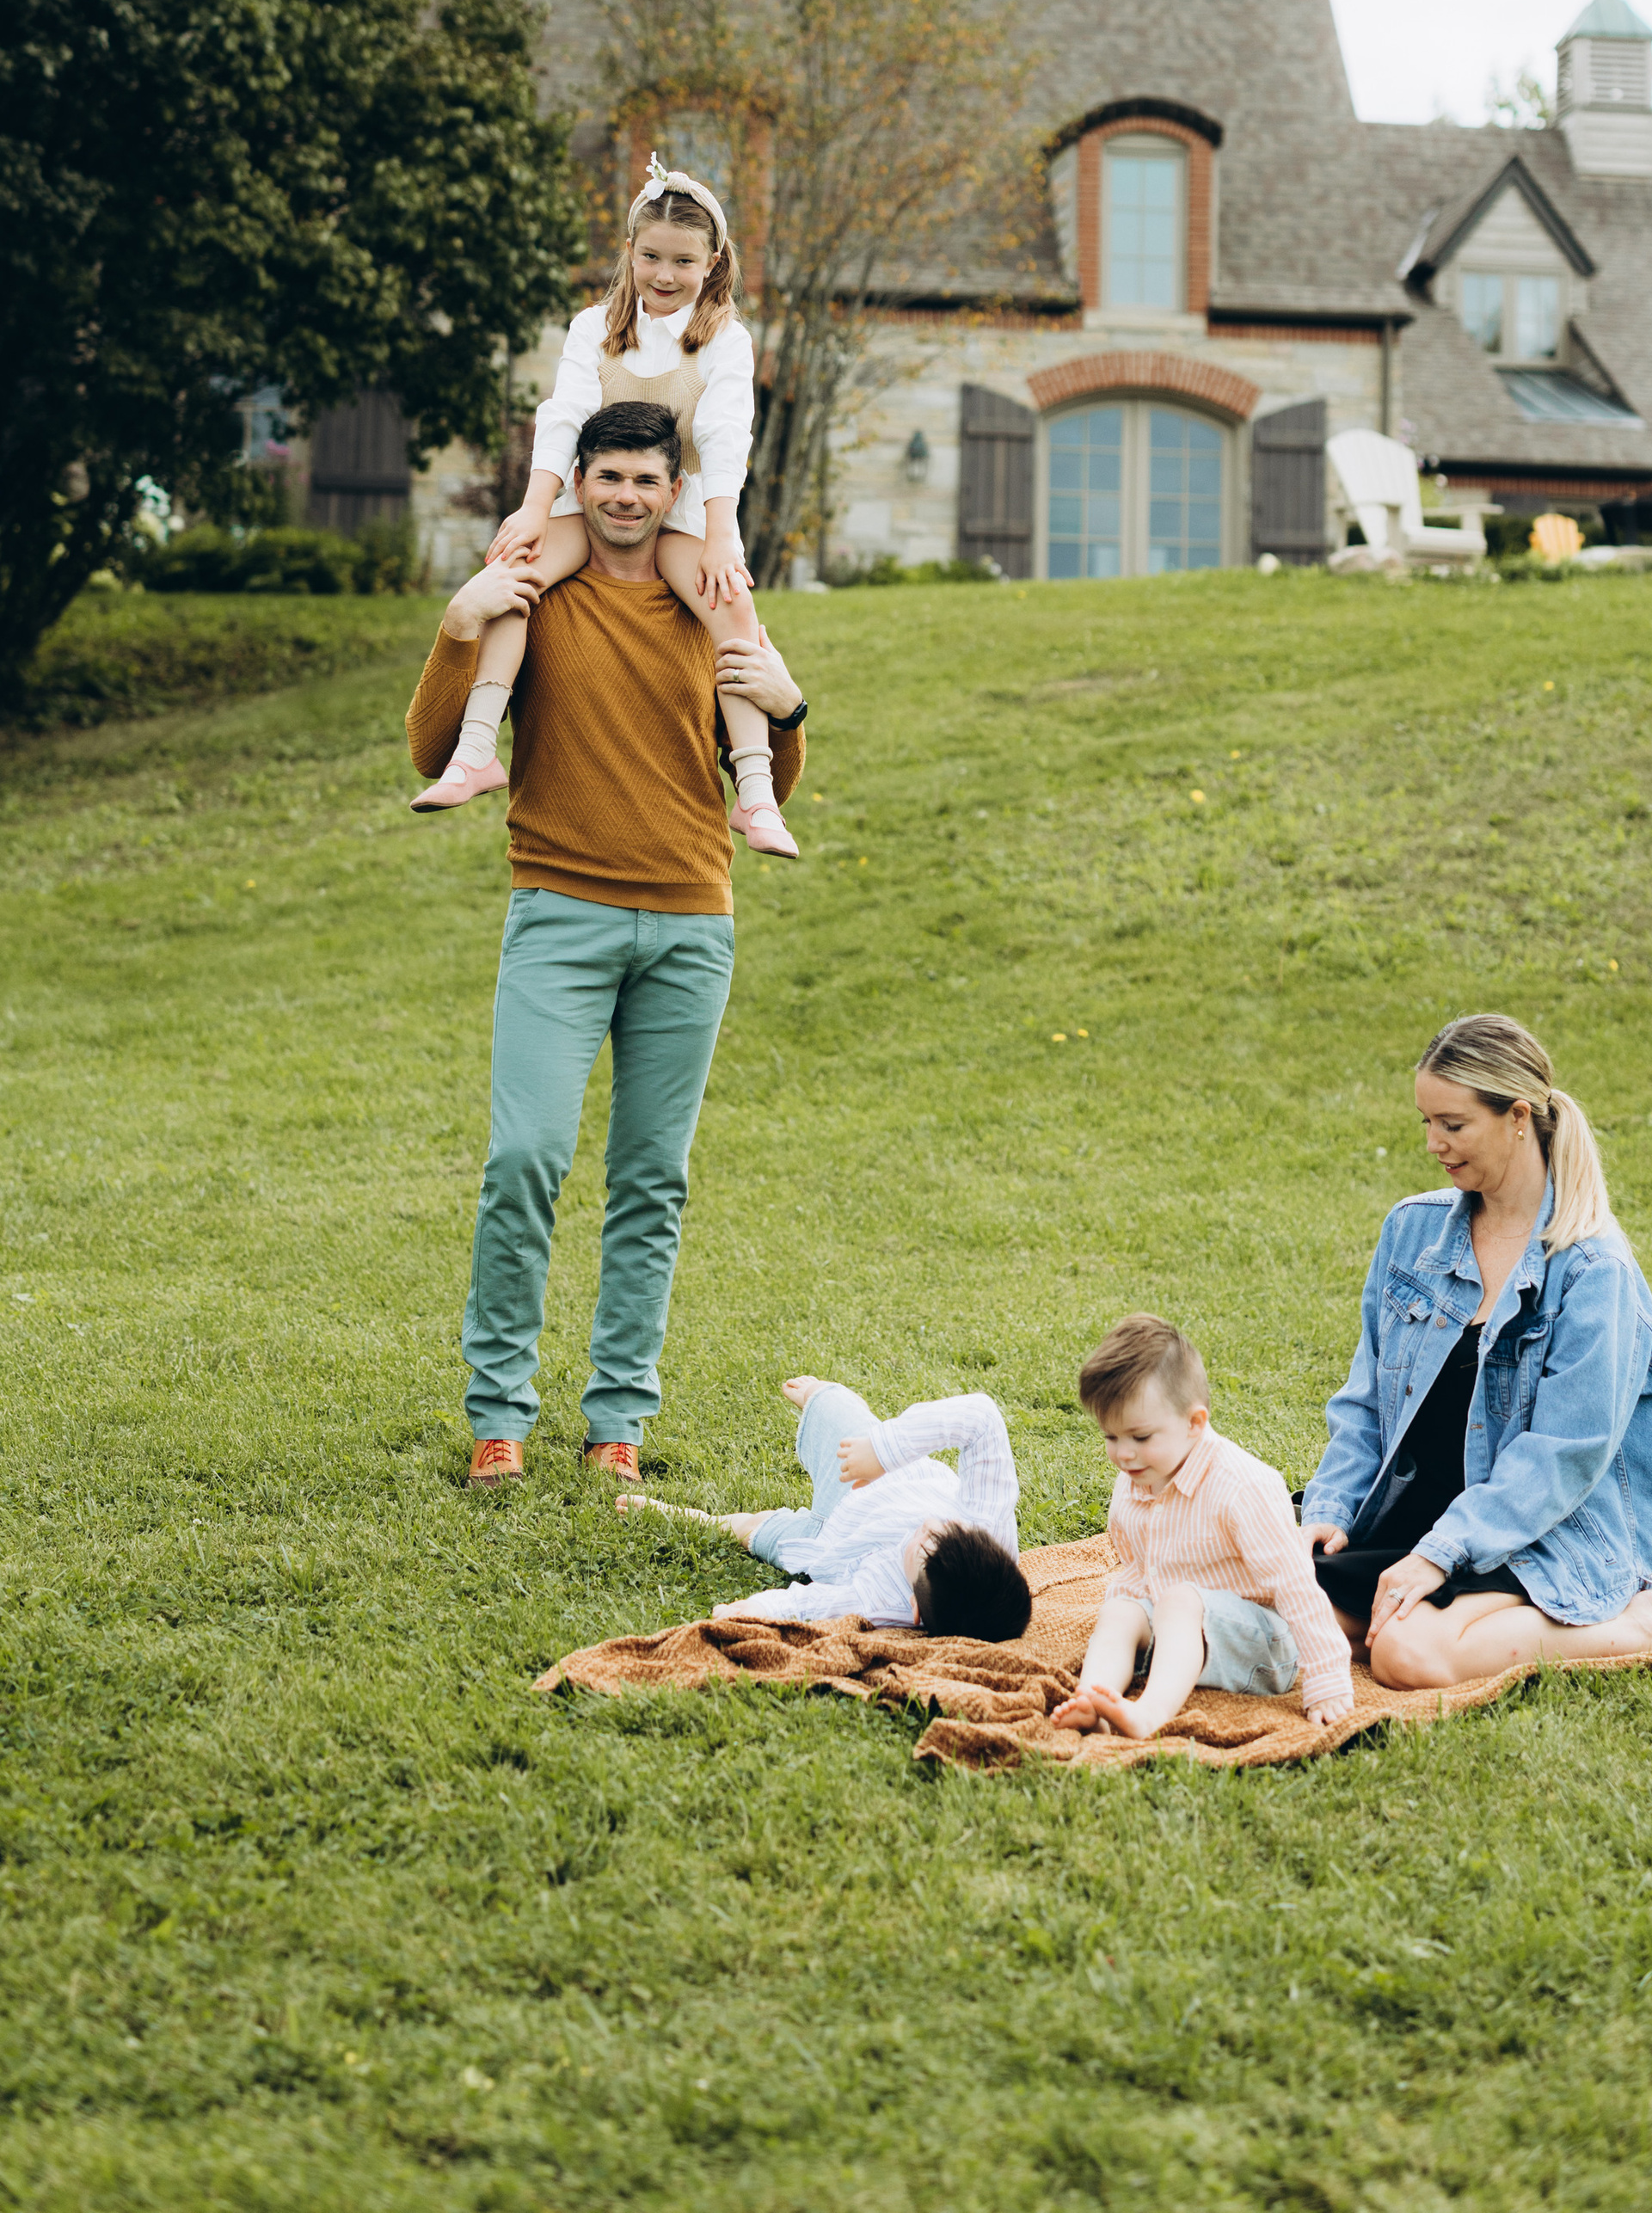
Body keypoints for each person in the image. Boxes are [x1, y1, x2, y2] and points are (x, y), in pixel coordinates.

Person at [406, 399, 808, 1490]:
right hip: (560, 913)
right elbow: (431, 746)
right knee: (524, 1160)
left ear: (674, 492)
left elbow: (759, 772)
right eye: (607, 478)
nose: (625, 497)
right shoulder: (539, 594)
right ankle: (500, 1415)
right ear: (576, 480)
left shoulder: (706, 596)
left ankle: (617, 1421)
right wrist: (457, 623)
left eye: (645, 480)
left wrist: (791, 710)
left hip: (690, 921)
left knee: (650, 1181)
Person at [1299, 1012, 1652, 1687]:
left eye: (1452, 1124)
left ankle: (1641, 1622)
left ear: (1518, 1116)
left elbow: (1565, 1457)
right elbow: (1365, 1400)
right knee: (1294, 1622)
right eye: (1426, 1123)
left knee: (1405, 1655)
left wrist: (1442, 1554)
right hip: (1420, 1511)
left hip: (1543, 1526)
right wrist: (1330, 1504)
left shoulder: (1595, 1272)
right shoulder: (1412, 1230)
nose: (1433, 1144)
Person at [412, 157, 795, 858]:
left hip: (681, 509)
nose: (665, 274)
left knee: (732, 605)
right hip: (582, 499)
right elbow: (563, 417)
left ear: (712, 262)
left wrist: (721, 534)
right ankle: (474, 751)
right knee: (515, 573)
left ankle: (756, 793)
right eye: (650, 256)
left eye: (684, 260)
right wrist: (533, 510)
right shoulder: (593, 327)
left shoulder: (725, 340)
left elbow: (722, 433)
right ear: (629, 252)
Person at [1050, 1315, 1355, 1738]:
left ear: (1194, 1423)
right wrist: (1129, 1620)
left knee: (1179, 1600)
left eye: (1139, 1437)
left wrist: (1327, 1680)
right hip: (1176, 1627)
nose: (1123, 1454)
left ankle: (1148, 1715)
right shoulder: (1135, 1481)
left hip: (1263, 1643)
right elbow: (1139, 1568)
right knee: (1121, 1606)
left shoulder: (1243, 1487)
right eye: (1110, 1437)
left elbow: (1296, 1585)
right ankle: (1094, 1698)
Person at [620, 1374, 1033, 1640]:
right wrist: (883, 1451)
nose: (928, 1525)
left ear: (914, 1609)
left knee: (752, 1532)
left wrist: (753, 1609)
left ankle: (690, 1516)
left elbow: (811, 1605)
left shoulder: (886, 1602)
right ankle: (828, 1400)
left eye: (922, 1546)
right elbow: (980, 1417)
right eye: (945, 1530)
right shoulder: (988, 1522)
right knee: (833, 1408)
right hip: (881, 1478)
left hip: (827, 1543)